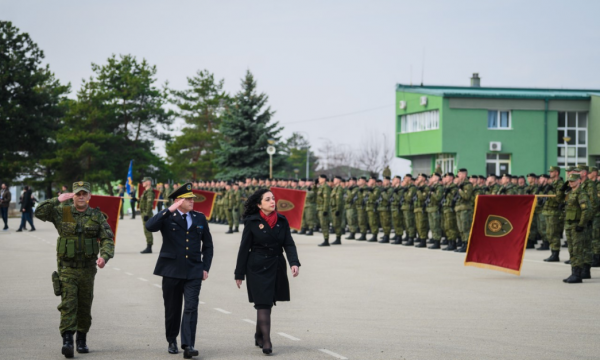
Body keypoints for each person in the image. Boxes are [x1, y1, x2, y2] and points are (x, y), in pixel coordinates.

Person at [34, 181, 114, 358]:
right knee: (68, 304)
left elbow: (107, 239)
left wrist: (105, 257)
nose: (81, 197)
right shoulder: (63, 212)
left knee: (84, 306)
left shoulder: (96, 216)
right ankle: (68, 341)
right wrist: (57, 200)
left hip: (87, 270)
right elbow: (39, 212)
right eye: (78, 194)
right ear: (73, 195)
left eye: (84, 193)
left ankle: (82, 340)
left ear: (89, 196)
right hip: (67, 269)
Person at [145, 183, 214, 359]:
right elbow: (150, 226)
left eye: (192, 198)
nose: (192, 201)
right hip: (171, 270)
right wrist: (169, 209)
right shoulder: (167, 217)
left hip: (193, 270)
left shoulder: (199, 218)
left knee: (191, 307)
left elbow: (208, 246)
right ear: (178, 200)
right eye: (188, 199)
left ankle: (188, 345)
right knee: (172, 308)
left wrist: (205, 267)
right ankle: (171, 340)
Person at [234, 188, 301, 355]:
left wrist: (294, 262)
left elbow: (289, 243)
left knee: (267, 302)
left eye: (273, 199)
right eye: (268, 199)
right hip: (257, 266)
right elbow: (244, 248)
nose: (273, 202)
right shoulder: (252, 221)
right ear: (259, 205)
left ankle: (259, 334)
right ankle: (267, 340)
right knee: (263, 303)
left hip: (276, 264)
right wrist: (239, 273)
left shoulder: (282, 220)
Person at [562, 173, 592, 284]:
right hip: (569, 225)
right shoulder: (569, 193)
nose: (570, 183)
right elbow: (560, 201)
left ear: (579, 181)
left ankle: (577, 275)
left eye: (573, 181)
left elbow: (586, 211)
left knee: (577, 250)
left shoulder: (581, 194)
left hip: (576, 225)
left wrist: (581, 224)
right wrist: (562, 190)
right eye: (569, 181)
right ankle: (574, 272)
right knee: (571, 250)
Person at [140, 177, 155, 254]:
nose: (143, 183)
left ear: (148, 182)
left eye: (144, 181)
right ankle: (148, 246)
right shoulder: (145, 192)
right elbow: (144, 201)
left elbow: (149, 204)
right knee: (146, 231)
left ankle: (149, 247)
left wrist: (146, 214)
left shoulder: (149, 192)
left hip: (147, 214)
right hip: (144, 213)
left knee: (147, 230)